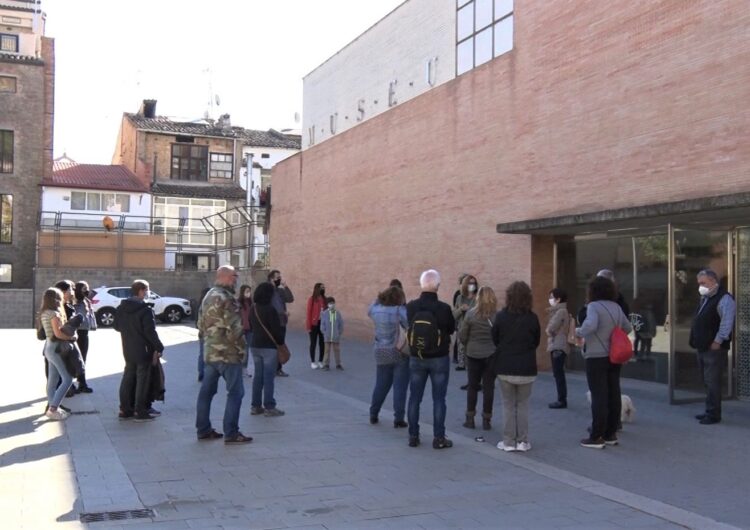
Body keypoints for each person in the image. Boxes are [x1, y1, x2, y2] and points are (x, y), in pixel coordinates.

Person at [196, 266, 252, 443]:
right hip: (228, 354)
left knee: (206, 393)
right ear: (227, 277)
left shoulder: (208, 295)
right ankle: (231, 432)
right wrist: (242, 350)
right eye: (235, 276)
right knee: (236, 393)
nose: (236, 280)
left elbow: (200, 325)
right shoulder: (227, 298)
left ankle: (203, 429)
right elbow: (236, 329)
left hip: (210, 353)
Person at [576, 276, 633, 448]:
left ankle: (596, 435)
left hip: (596, 355)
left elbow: (590, 326)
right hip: (614, 356)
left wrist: (577, 331)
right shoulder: (616, 307)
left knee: (598, 395)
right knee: (613, 393)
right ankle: (610, 433)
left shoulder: (593, 306)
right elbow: (628, 327)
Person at [406, 269, 456, 449]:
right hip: (439, 358)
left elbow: (408, 327)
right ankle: (439, 438)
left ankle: (413, 436)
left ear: (421, 285)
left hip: (416, 357)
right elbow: (451, 329)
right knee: (439, 399)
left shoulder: (411, 307)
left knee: (414, 398)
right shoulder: (444, 308)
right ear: (438, 286)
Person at [492, 281, 540, 452]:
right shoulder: (532, 318)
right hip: (526, 368)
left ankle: (508, 441)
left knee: (508, 405)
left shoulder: (501, 316)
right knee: (523, 405)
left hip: (505, 367)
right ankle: (523, 441)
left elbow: (495, 339)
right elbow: (536, 341)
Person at [689, 269, 736, 425]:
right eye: (699, 283)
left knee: (713, 381)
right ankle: (709, 410)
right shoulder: (705, 298)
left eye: (703, 283)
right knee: (706, 380)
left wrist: (718, 341)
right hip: (702, 346)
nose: (700, 286)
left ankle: (714, 414)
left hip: (714, 348)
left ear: (713, 281)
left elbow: (726, 323)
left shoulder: (724, 299)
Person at [115, 279, 165, 422]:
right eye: (147, 290)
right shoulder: (145, 310)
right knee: (143, 380)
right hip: (143, 349)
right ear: (141, 291)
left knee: (128, 377)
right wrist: (159, 347)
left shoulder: (121, 307)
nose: (148, 293)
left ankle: (125, 409)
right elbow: (150, 332)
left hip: (128, 347)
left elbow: (116, 326)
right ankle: (140, 410)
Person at [368, 285, 410, 427]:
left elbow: (370, 308)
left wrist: (380, 297)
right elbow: (409, 323)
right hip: (397, 350)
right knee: (400, 386)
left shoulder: (376, 309)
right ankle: (398, 418)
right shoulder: (399, 311)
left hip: (380, 350)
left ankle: (373, 413)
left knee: (381, 384)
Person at [458, 286, 497, 430]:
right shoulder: (496, 316)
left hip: (473, 354)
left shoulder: (470, 314)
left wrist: (468, 344)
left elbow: (462, 335)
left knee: (472, 386)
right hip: (491, 354)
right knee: (489, 388)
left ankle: (470, 419)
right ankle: (487, 420)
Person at [249, 281, 286, 417]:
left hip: (255, 345)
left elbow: (251, 326)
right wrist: (281, 343)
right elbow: (276, 331)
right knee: (269, 377)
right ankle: (270, 406)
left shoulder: (253, 308)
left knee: (258, 376)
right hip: (269, 346)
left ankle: (256, 405)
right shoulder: (270, 310)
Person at [38, 287, 76, 420]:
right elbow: (58, 333)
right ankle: (53, 408)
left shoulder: (44, 312)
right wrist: (71, 338)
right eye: (60, 298)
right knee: (67, 379)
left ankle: (52, 408)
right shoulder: (54, 314)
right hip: (55, 348)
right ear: (56, 299)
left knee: (53, 379)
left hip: (48, 347)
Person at [546, 287, 571, 409]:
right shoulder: (559, 311)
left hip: (558, 345)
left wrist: (548, 331)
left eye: (552, 297)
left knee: (558, 373)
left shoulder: (560, 312)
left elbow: (551, 328)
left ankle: (562, 399)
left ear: (558, 299)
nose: (550, 300)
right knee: (558, 373)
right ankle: (561, 398)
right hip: (558, 344)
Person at [268, 269, 294, 376]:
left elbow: (290, 299)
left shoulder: (280, 291)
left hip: (282, 323)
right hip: (272, 322)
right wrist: (282, 312)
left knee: (280, 345)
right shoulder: (267, 290)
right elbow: (273, 306)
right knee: (272, 346)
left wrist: (286, 287)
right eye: (277, 277)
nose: (279, 279)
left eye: (280, 277)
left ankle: (278, 368)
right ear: (271, 279)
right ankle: (272, 368)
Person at [72, 281, 96, 393]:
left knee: (83, 359)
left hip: (84, 333)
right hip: (76, 332)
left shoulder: (86, 301)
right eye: (84, 289)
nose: (87, 291)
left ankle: (82, 383)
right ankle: (71, 384)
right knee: (74, 359)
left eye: (88, 288)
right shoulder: (73, 301)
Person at [453, 274, 478, 373]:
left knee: (472, 354)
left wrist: (469, 310)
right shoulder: (459, 298)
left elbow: (479, 313)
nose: (472, 285)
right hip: (462, 327)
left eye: (474, 283)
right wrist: (460, 309)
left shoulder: (478, 298)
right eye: (470, 283)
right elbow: (454, 315)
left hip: (474, 329)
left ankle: (472, 378)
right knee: (461, 348)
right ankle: (461, 364)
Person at [306, 282, 327, 369]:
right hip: (314, 324)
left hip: (322, 324)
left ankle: (320, 361)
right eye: (321, 287)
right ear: (317, 289)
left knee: (322, 343)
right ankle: (313, 362)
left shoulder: (325, 299)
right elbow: (308, 313)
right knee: (313, 343)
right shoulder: (312, 299)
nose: (323, 289)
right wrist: (308, 326)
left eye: (324, 287)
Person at [320, 296, 344, 370]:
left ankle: (338, 364)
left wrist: (339, 332)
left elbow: (341, 324)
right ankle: (326, 364)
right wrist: (324, 332)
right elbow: (322, 324)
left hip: (335, 336)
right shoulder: (324, 313)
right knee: (327, 350)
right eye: (330, 303)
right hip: (327, 336)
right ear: (327, 304)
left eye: (333, 303)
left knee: (337, 350)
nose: (332, 305)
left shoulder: (338, 313)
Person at [238, 284, 254, 377]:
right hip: (241, 329)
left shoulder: (251, 302)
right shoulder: (238, 302)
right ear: (242, 292)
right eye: (247, 291)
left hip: (250, 329)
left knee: (247, 349)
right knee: (242, 349)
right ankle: (239, 368)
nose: (248, 293)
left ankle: (244, 369)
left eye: (249, 291)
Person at [196, 287, 211, 382]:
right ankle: (205, 373)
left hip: (202, 332)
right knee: (207, 354)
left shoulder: (201, 304)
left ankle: (201, 373)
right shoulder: (208, 305)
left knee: (202, 353)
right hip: (208, 332)